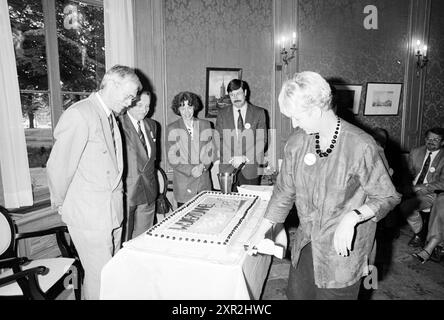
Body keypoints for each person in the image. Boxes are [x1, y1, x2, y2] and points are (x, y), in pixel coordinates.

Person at [250, 71, 400, 300]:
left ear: (316, 111)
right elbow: (283, 192)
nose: (293, 123)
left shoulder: (361, 145)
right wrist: (262, 231)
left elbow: (386, 196)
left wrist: (353, 217)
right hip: (307, 243)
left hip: (342, 253)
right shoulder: (297, 142)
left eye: (297, 117)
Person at [46, 65, 141, 299]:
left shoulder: (111, 117)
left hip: (112, 214)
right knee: (99, 276)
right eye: (128, 96)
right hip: (89, 215)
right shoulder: (80, 114)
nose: (130, 102)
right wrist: (61, 204)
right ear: (112, 83)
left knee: (109, 274)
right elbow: (59, 166)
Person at [119, 91, 159, 242]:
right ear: (129, 103)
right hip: (127, 192)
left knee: (143, 241)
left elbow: (152, 159)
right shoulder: (118, 124)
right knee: (124, 240)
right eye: (140, 105)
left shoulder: (152, 125)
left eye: (147, 106)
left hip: (148, 190)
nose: (144, 109)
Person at [215, 79, 267, 190]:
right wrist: (232, 158)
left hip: (250, 168)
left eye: (238, 93)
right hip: (228, 169)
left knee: (250, 204)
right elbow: (218, 139)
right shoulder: (222, 114)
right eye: (232, 95)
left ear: (246, 92)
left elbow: (262, 140)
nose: (236, 98)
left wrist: (244, 157)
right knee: (228, 204)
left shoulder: (259, 113)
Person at [167, 91, 215, 207]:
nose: (186, 112)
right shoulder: (172, 128)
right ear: (178, 109)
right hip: (184, 184)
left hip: (203, 183)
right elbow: (172, 158)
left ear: (194, 107)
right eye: (182, 108)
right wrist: (192, 170)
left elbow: (210, 151)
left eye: (189, 107)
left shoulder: (206, 125)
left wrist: (203, 166)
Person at [399, 127, 444, 249]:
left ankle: (419, 235)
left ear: (442, 142)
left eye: (436, 139)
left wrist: (422, 187)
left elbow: (443, 182)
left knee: (406, 207)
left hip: (433, 193)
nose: (431, 141)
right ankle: (420, 232)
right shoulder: (416, 151)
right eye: (429, 138)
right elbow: (408, 173)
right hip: (411, 189)